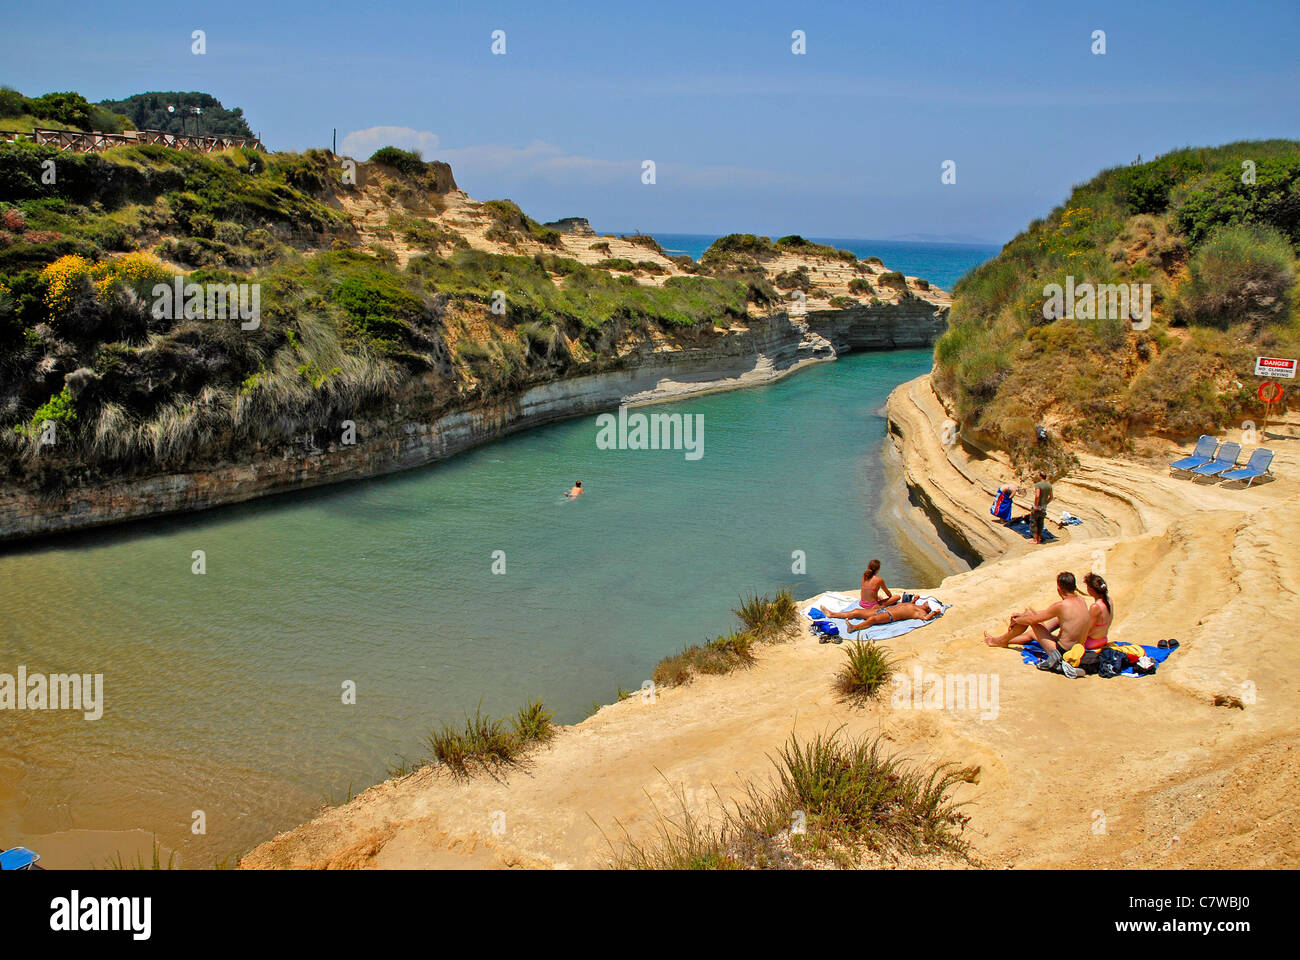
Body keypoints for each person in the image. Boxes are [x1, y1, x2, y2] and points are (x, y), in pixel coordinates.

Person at [981, 571, 1090, 671]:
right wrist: (1022, 616)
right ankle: (1003, 640)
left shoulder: (1061, 606)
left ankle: (999, 641)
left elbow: (1032, 620)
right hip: (1078, 650)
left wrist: (1017, 620)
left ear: (1058, 588)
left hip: (1062, 652)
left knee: (1030, 619)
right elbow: (1046, 613)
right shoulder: (1081, 601)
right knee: (1030, 619)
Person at [1058, 572, 1116, 679]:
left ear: (1092, 590)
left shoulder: (1095, 607)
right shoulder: (1109, 600)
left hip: (1091, 643)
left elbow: (1088, 630)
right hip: (1103, 639)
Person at [823, 597, 942, 632]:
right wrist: (913, 600)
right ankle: (832, 614)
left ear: (929, 607)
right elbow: (905, 607)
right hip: (885, 610)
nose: (926, 601)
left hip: (890, 616)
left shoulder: (921, 612)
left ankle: (854, 628)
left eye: (928, 603)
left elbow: (926, 618)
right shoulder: (916, 605)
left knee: (873, 619)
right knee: (857, 611)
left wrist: (934, 613)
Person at [1031, 472, 1054, 544]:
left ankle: (1035, 540)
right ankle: (1039, 539)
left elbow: (1037, 496)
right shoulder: (1049, 485)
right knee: (1041, 523)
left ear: (1040, 476)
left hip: (1038, 506)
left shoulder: (1038, 485)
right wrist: (1046, 503)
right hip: (1044, 507)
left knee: (1034, 522)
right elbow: (1051, 497)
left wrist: (1036, 505)